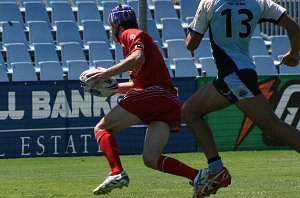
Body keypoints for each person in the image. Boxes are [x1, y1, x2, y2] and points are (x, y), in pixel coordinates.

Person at [183, 0, 300, 197]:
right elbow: (294, 26)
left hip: (233, 76)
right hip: (239, 73)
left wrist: (194, 26)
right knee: (190, 111)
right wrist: (294, 53)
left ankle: (216, 170)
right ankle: (216, 170)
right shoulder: (259, 2)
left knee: (272, 126)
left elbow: (191, 44)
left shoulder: (209, 3)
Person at [85, 5, 204, 196]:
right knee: (150, 158)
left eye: (111, 26)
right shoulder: (135, 41)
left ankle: (116, 172)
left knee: (101, 128)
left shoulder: (129, 33)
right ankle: (199, 176)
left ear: (116, 25)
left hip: (152, 93)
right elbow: (136, 82)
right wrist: (113, 88)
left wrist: (106, 73)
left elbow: (138, 58)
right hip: (168, 99)